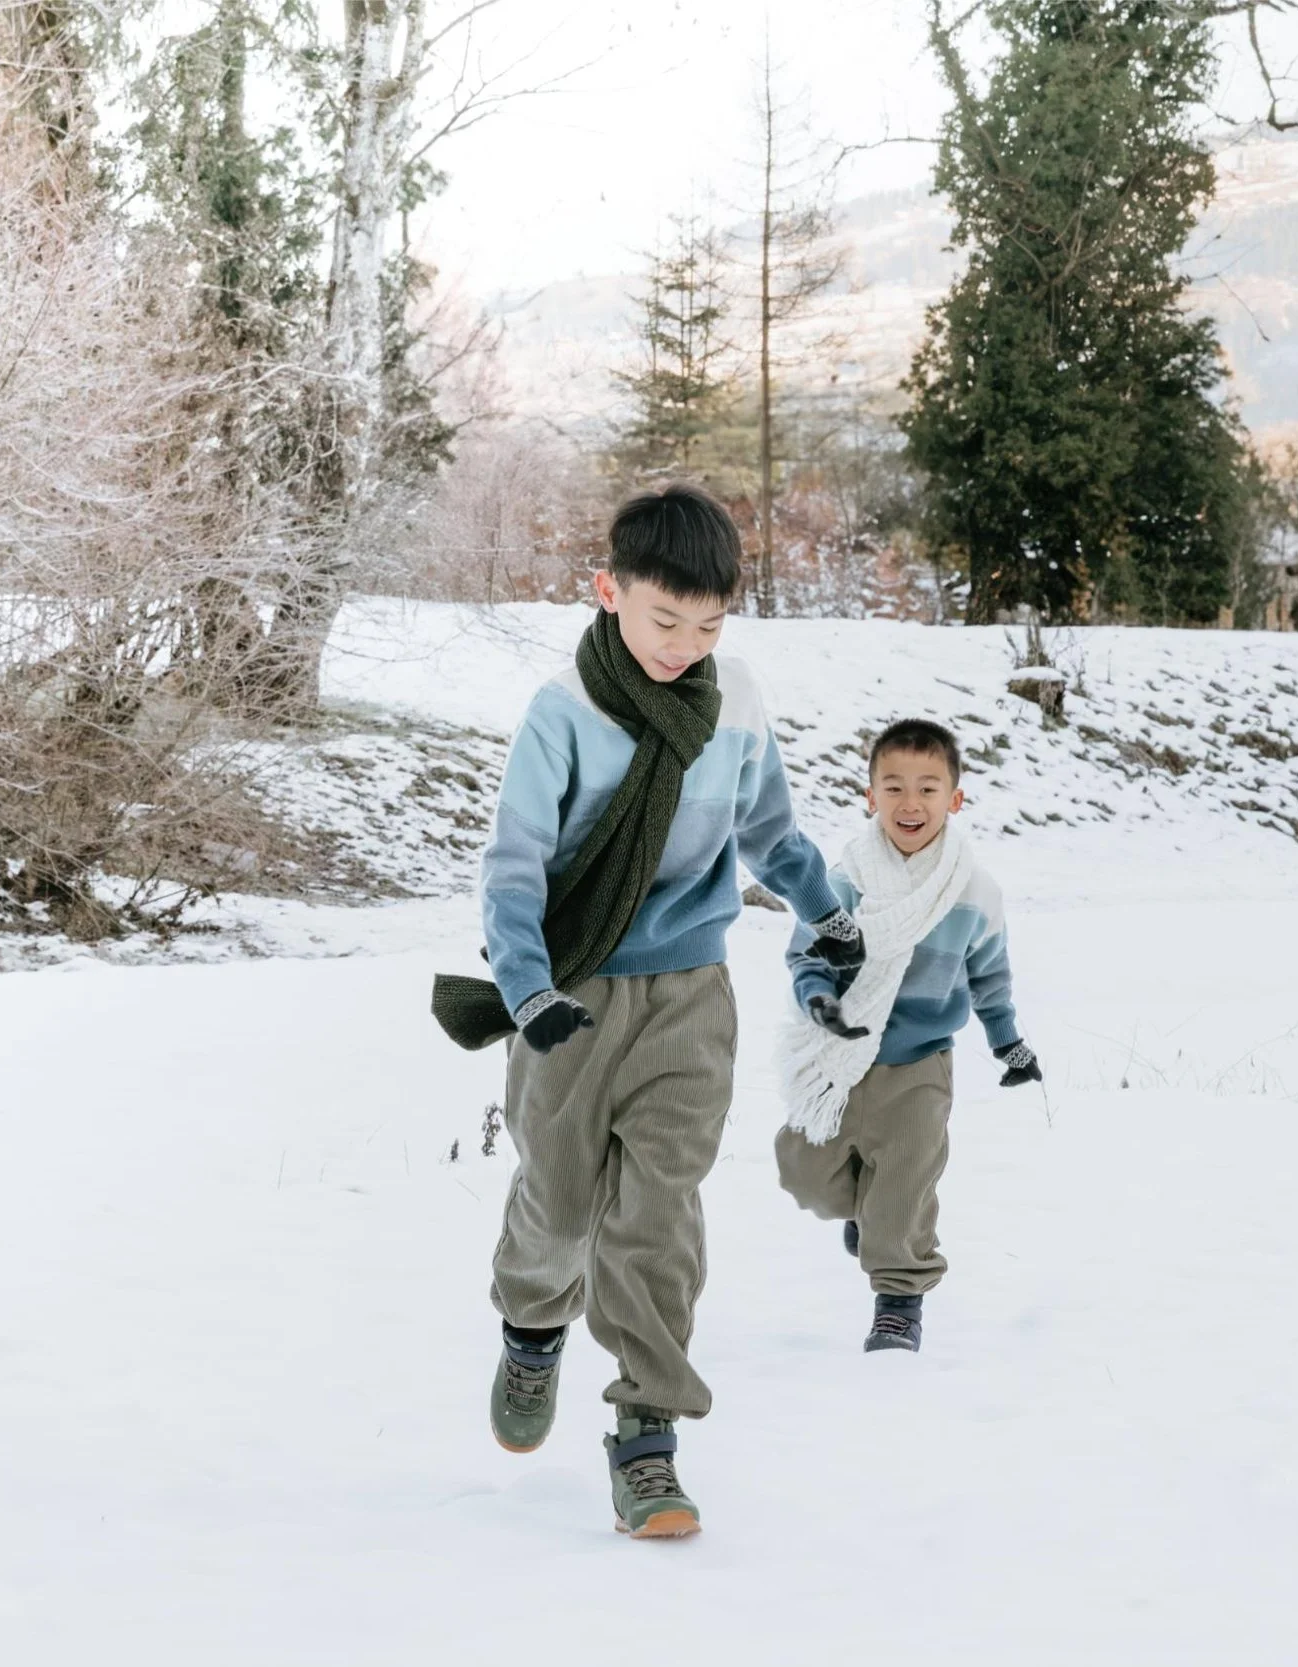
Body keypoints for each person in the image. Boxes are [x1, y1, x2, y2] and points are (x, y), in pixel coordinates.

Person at [431, 482, 860, 1539]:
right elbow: (514, 870)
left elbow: (771, 832)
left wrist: (826, 908)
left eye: (708, 624)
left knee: (657, 1216)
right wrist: (528, 991)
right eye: (664, 619)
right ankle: (532, 1328)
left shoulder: (738, 700)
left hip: (689, 994)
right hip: (569, 994)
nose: (684, 644)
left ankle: (647, 1437)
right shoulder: (562, 713)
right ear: (607, 591)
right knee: (561, 1202)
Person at [774, 717, 1042, 1354]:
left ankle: (898, 1298)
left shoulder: (973, 892)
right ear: (870, 797)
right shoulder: (844, 882)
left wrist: (1007, 1041)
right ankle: (865, 1217)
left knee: (904, 1186)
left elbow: (990, 977)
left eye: (928, 787)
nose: (910, 803)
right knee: (803, 1173)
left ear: (955, 798)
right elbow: (807, 956)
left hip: (921, 1062)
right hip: (839, 1058)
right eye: (893, 787)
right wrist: (819, 1001)